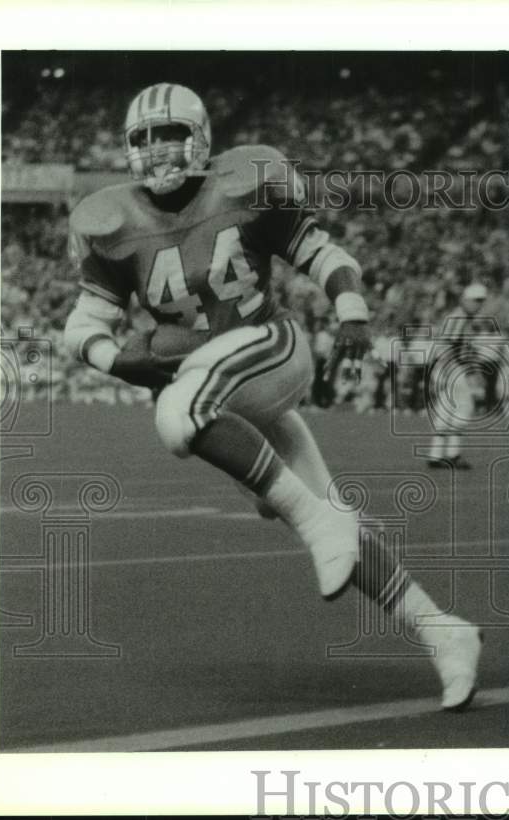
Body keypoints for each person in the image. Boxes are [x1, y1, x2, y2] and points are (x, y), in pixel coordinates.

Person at [62, 83, 481, 710]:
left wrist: (352, 313)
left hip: (270, 350)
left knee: (178, 415)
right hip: (224, 390)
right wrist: (117, 358)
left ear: (200, 136)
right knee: (339, 525)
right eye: (143, 138)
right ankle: (444, 631)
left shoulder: (243, 184)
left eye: (170, 133)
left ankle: (315, 525)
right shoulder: (114, 222)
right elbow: (82, 325)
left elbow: (322, 252)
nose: (156, 150)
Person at [426, 282, 492, 470]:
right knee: (463, 408)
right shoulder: (459, 318)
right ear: (465, 300)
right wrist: (457, 371)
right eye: (475, 300)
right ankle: (453, 454)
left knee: (445, 411)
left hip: (448, 368)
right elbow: (450, 346)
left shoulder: (460, 317)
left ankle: (436, 455)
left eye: (480, 301)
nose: (478, 304)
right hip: (452, 368)